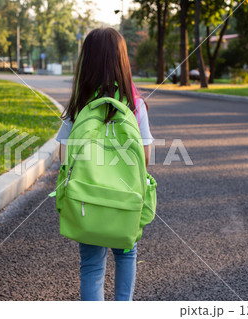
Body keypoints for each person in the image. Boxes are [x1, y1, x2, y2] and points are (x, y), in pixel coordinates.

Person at [55, 27, 154, 301]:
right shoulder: (135, 106)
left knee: (91, 266)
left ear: (86, 62)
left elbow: (63, 158)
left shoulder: (79, 106)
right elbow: (145, 158)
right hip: (126, 200)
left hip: (88, 200)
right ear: (123, 61)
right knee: (126, 255)